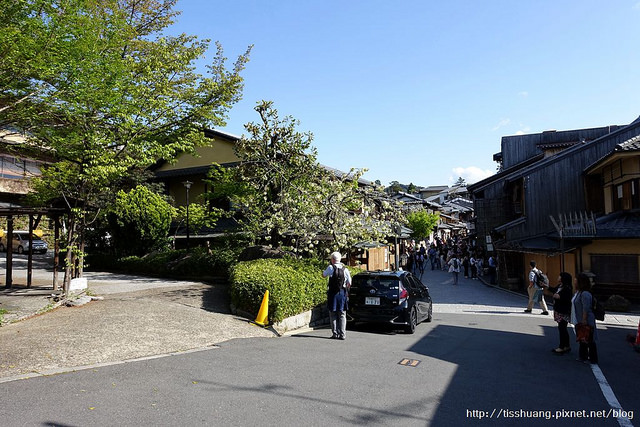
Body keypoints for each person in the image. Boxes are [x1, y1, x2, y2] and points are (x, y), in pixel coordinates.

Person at [322, 251, 352, 340]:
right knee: (342, 314)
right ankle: (343, 334)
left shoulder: (331, 267)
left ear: (332, 259)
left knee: (333, 313)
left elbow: (323, 275)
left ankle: (335, 333)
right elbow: (349, 282)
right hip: (342, 293)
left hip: (332, 293)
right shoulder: (345, 269)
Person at [572, 272, 598, 364]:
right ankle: (583, 356)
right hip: (579, 318)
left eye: (576, 280)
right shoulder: (579, 292)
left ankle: (593, 359)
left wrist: (584, 319)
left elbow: (586, 308)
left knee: (589, 339)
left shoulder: (585, 294)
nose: (574, 281)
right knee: (582, 337)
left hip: (586, 318)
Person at [550, 272, 573, 354]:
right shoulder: (560, 286)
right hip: (559, 310)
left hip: (563, 311)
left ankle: (562, 347)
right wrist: (546, 286)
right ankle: (566, 346)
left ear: (563, 278)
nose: (558, 277)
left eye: (560, 276)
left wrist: (557, 296)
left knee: (562, 328)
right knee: (562, 328)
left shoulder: (567, 288)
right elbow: (553, 290)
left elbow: (561, 297)